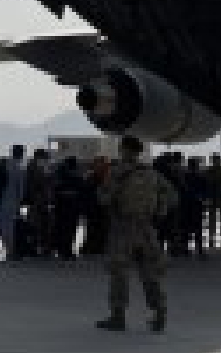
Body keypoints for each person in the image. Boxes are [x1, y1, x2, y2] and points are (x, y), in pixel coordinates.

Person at [96, 135, 176, 333]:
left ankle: (118, 316)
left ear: (124, 150)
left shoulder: (117, 172)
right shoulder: (152, 173)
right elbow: (172, 194)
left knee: (119, 273)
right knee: (150, 273)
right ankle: (159, 314)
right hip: (147, 229)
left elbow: (104, 199)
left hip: (124, 228)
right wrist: (159, 210)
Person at [0, 144, 28, 262]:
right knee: (8, 228)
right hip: (10, 203)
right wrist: (19, 203)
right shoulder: (18, 168)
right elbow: (21, 189)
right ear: (22, 154)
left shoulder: (1, 164)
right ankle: (10, 252)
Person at [50, 155, 86, 260]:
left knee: (61, 228)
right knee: (70, 229)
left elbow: (55, 190)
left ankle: (61, 249)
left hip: (61, 207)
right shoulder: (76, 178)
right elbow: (81, 192)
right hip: (71, 207)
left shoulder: (60, 176)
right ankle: (67, 250)